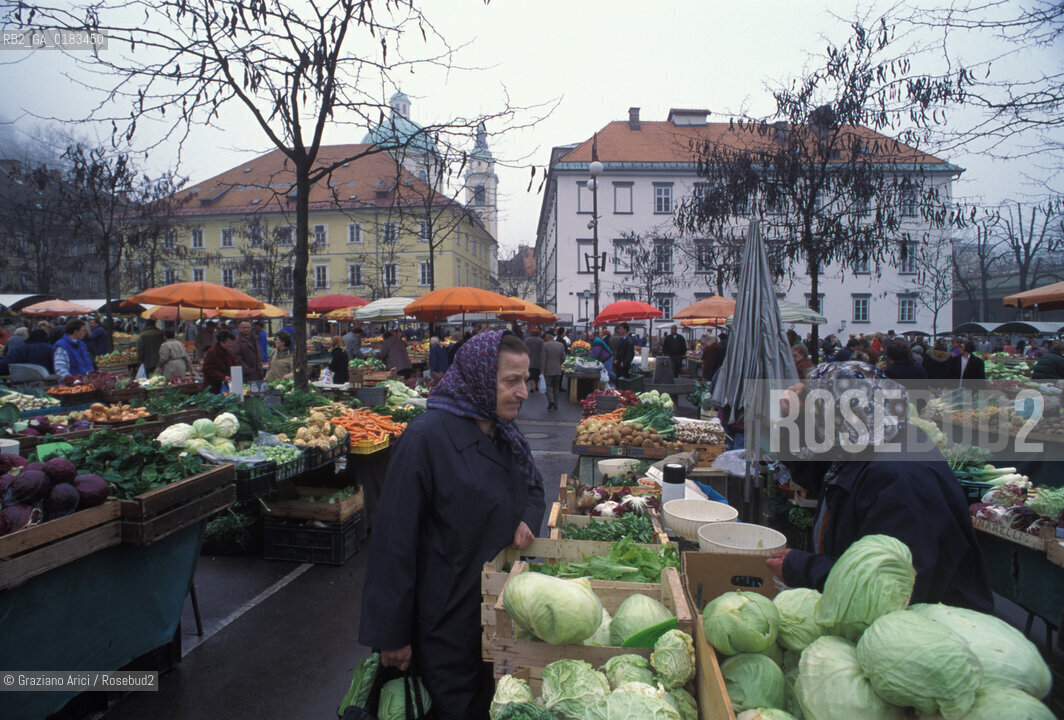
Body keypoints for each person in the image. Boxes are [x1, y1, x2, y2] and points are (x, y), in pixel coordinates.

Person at [360, 331, 545, 719]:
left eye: (525, 379)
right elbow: (394, 541)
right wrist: (391, 635)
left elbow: (533, 487)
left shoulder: (504, 434)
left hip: (494, 613)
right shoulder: (425, 439)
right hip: (442, 622)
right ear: (479, 377)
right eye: (511, 381)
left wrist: (527, 518)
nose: (524, 392)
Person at [767, 361, 993, 612]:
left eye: (817, 413)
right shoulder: (873, 439)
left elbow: (893, 586)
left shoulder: (897, 478)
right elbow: (813, 473)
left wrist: (805, 568)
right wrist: (794, 417)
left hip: (927, 624)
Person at [541, 330, 566, 411]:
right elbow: (563, 358)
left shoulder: (545, 345)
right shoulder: (561, 345)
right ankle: (556, 403)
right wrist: (559, 364)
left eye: (545, 336)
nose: (544, 338)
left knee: (548, 385)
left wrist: (542, 369)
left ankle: (550, 400)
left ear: (548, 337)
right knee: (556, 387)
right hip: (558, 369)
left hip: (548, 369)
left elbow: (543, 359)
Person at [523, 328, 544, 393]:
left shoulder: (527, 340)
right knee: (537, 374)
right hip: (538, 360)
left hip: (529, 360)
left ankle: (532, 387)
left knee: (531, 374)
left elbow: (524, 349)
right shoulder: (541, 341)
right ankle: (536, 386)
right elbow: (543, 351)